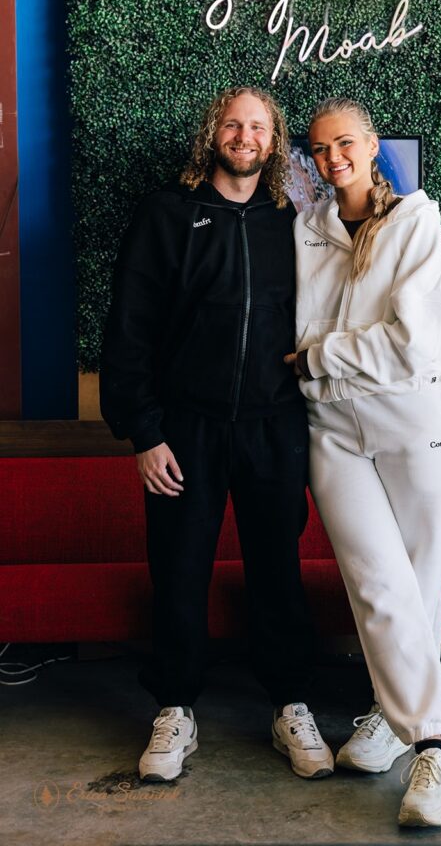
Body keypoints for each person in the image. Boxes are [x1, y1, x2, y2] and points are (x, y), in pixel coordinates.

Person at [100, 87, 333, 782]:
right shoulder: (166, 213)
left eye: (257, 126)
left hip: (273, 427)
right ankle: (174, 709)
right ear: (213, 133)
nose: (244, 135)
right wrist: (143, 432)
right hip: (184, 430)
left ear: (273, 140)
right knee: (177, 573)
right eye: (233, 123)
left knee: (277, 575)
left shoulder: (294, 219)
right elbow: (129, 327)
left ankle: (289, 702)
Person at [285, 98, 441, 827]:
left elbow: (414, 345)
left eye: (345, 145)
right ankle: (424, 738)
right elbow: (363, 337)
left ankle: (408, 733)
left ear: (370, 147)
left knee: (418, 585)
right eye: (319, 149)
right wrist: (333, 359)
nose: (333, 159)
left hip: (418, 422)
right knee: (376, 583)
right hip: (330, 428)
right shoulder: (305, 231)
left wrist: (319, 356)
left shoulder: (415, 221)